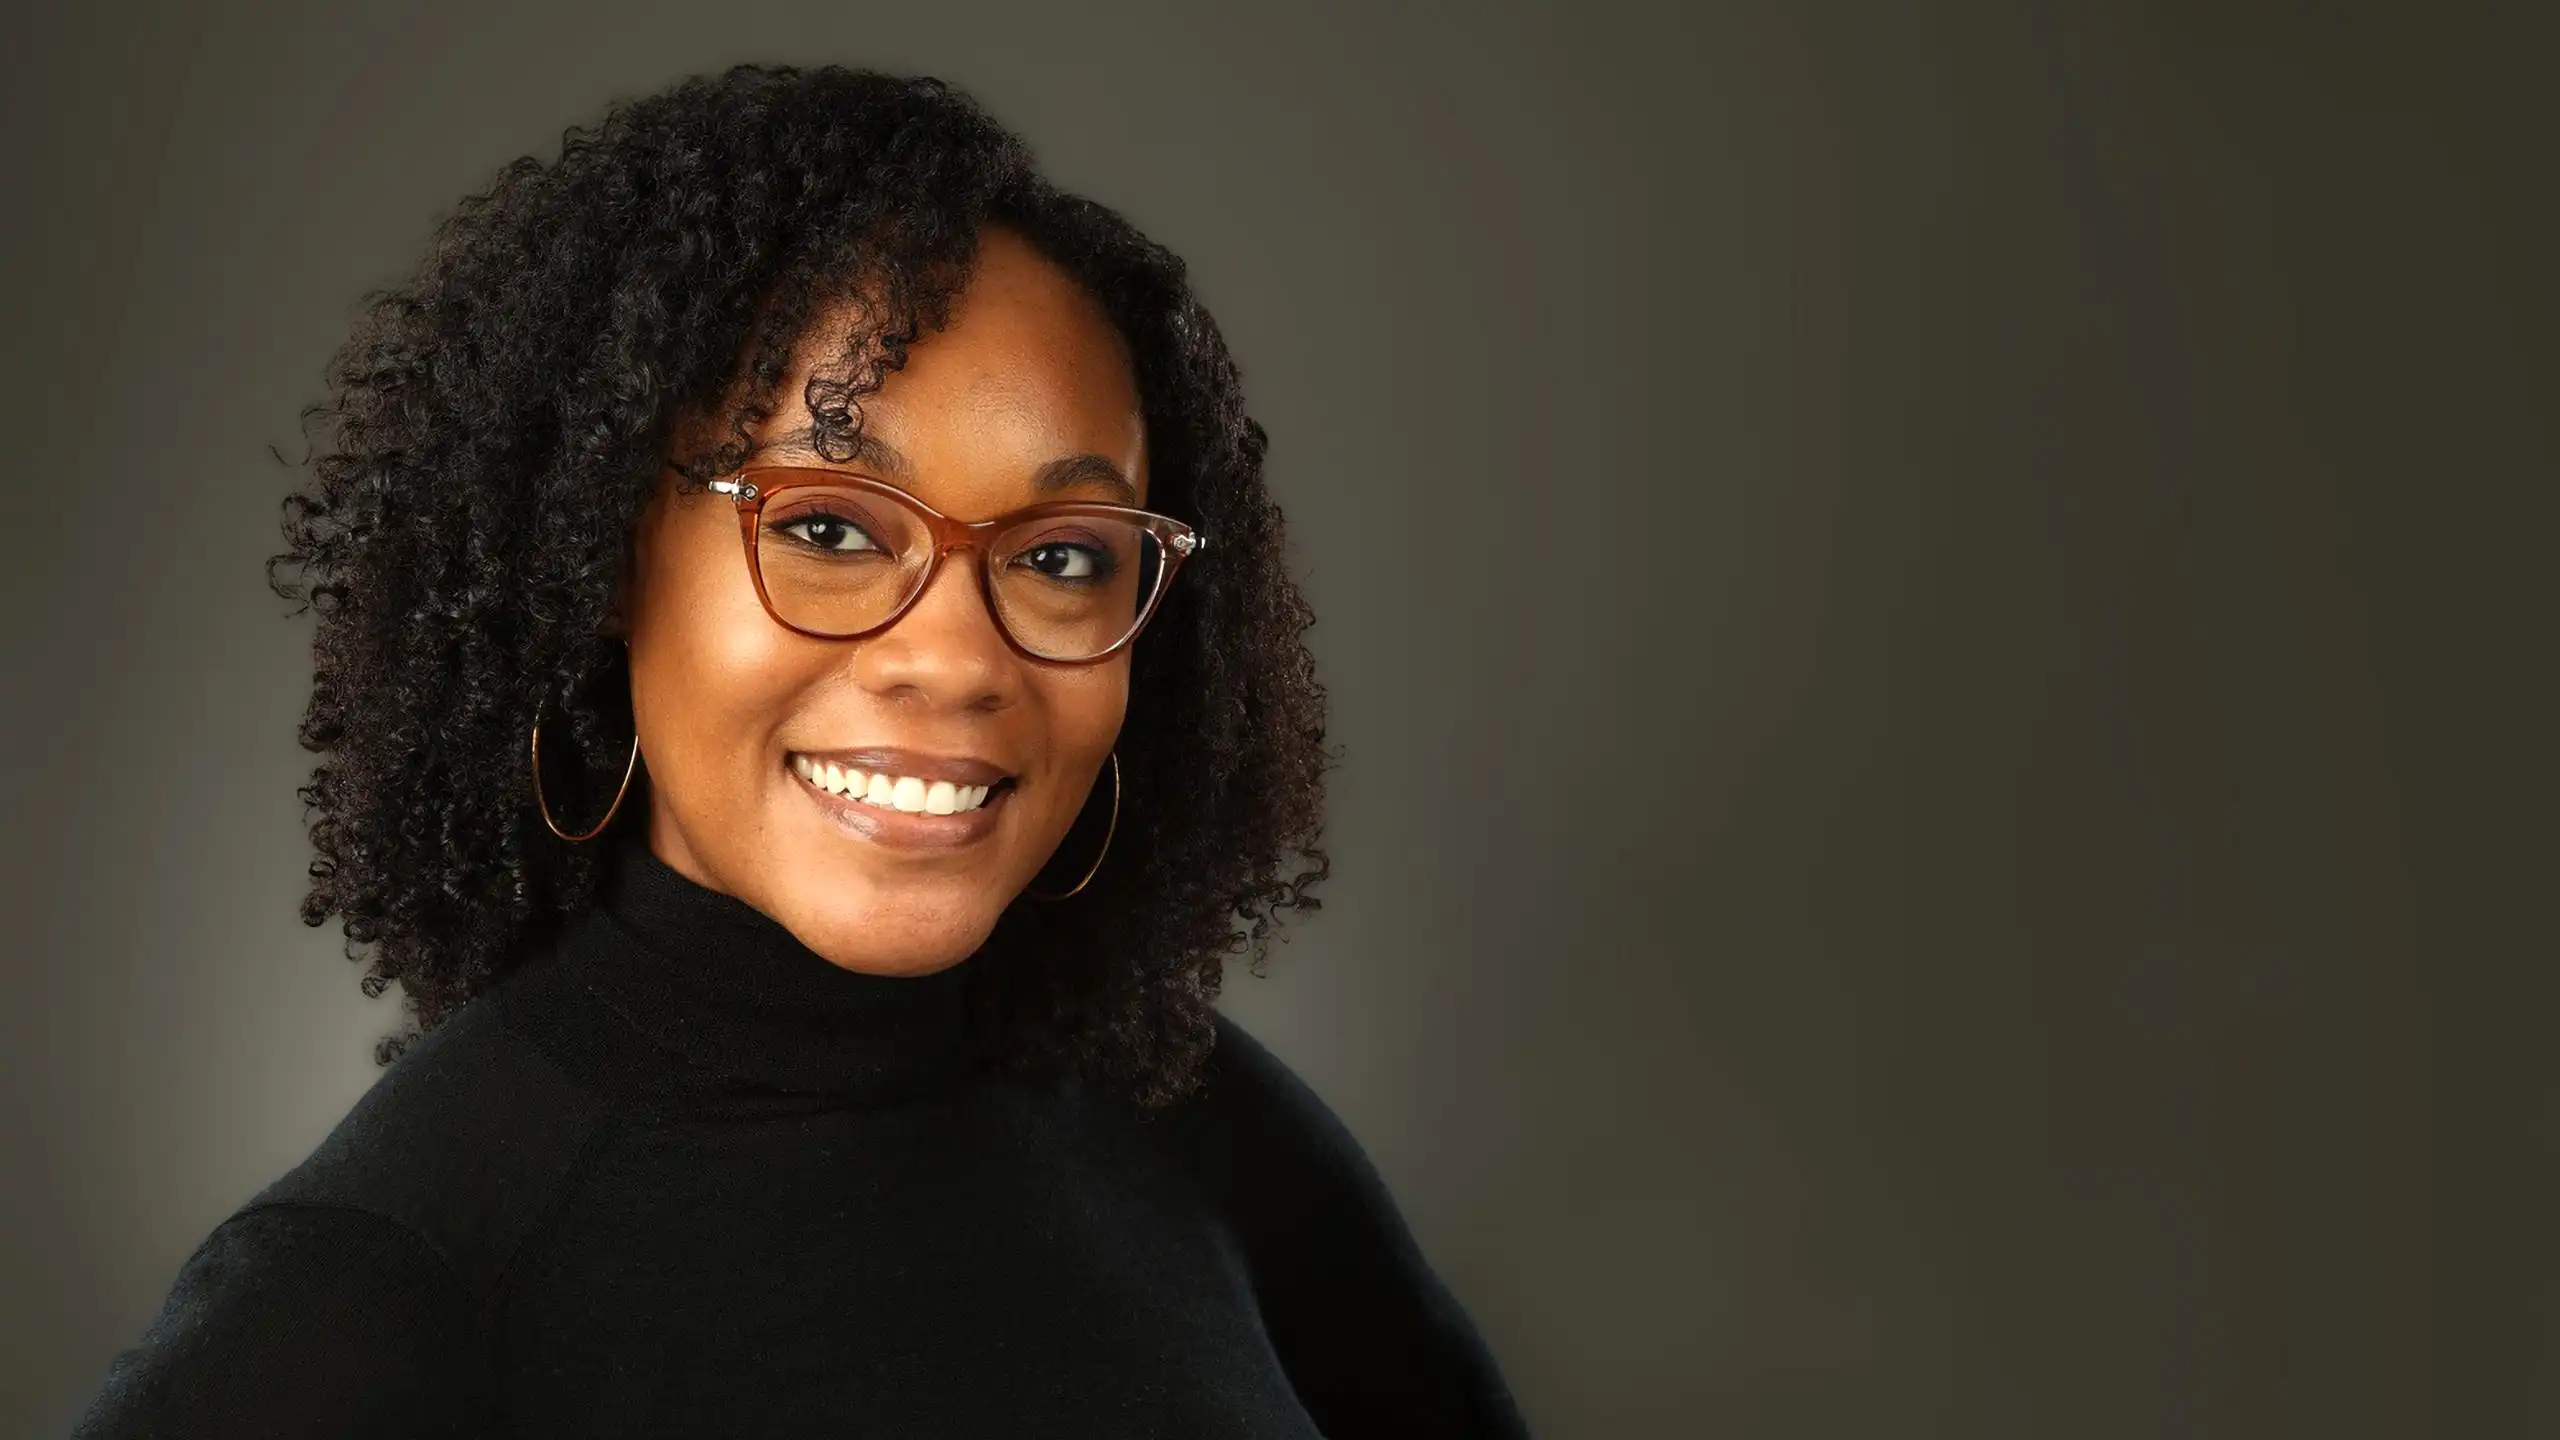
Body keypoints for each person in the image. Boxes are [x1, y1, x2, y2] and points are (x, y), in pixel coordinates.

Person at [68, 62, 1529, 1438]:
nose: (958, 659)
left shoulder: (1203, 1127)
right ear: (594, 564)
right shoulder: (389, 1282)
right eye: (828, 527)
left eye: (1065, 556)